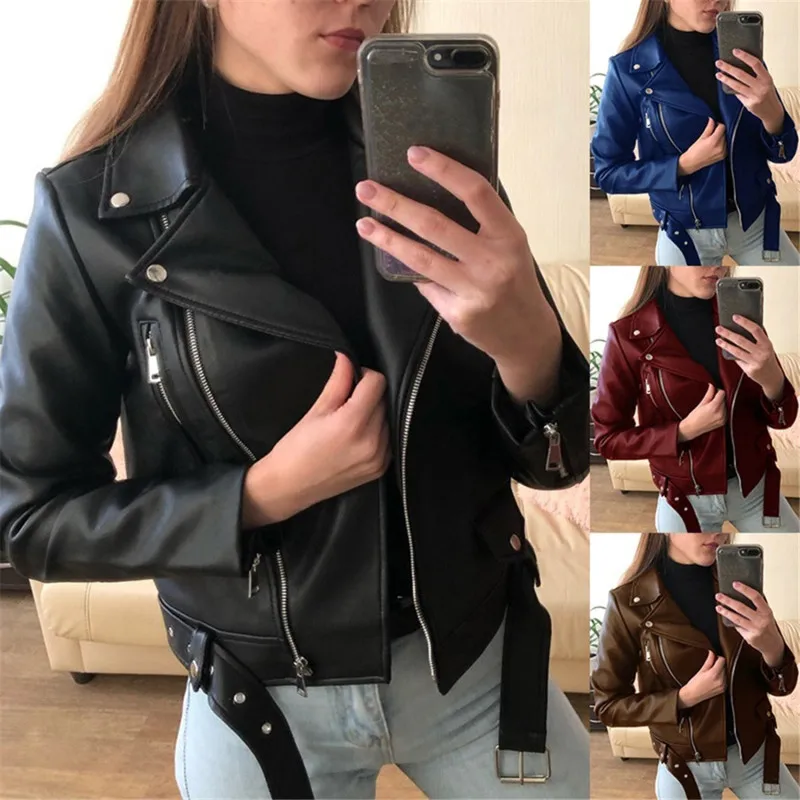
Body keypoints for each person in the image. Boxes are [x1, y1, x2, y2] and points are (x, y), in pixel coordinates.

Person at [0, 1, 591, 798]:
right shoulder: (95, 213)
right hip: (260, 702)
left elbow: (559, 463)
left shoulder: (432, 165)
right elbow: (31, 519)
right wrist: (256, 496)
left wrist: (531, 350)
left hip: (477, 666)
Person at [592, 532, 800, 800]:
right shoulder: (628, 603)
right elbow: (608, 707)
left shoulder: (740, 587)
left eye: (719, 520)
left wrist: (773, 649)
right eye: (700, 521)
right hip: (684, 768)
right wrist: (683, 698)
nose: (716, 532)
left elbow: (784, 686)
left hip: (755, 757)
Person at [592, 266, 799, 533]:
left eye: (718, 253)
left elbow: (784, 419)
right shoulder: (628, 337)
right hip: (684, 499)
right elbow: (608, 440)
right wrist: (682, 431)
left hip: (755, 489)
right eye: (700, 254)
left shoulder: (740, 321)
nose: (716, 265)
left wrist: (772, 380)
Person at [592, 0, 800, 266]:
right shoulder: (628, 72)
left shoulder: (740, 56)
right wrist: (682, 165)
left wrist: (773, 116)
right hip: (684, 233)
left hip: (756, 224)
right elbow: (608, 174)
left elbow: (784, 153)